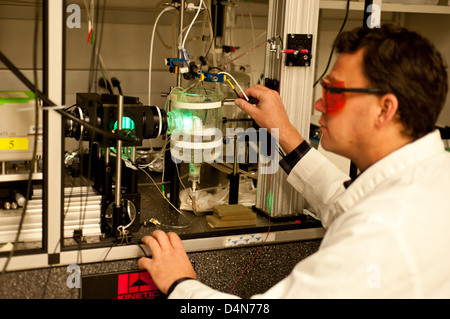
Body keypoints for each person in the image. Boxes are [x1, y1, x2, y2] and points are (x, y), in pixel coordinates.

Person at [138, 24, 450, 298]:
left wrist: (180, 284)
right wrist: (285, 133)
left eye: (332, 92)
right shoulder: (433, 179)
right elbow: (347, 204)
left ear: (385, 109)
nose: (317, 103)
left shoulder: (382, 233)